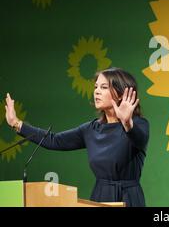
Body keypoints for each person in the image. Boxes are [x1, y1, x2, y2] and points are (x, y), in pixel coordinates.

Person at [4, 67, 149, 207]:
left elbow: (139, 139)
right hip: (100, 196)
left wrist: (127, 123)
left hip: (129, 197)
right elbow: (54, 140)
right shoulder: (91, 129)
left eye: (104, 87)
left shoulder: (139, 125)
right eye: (96, 87)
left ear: (121, 94)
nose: (97, 91)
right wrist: (16, 123)